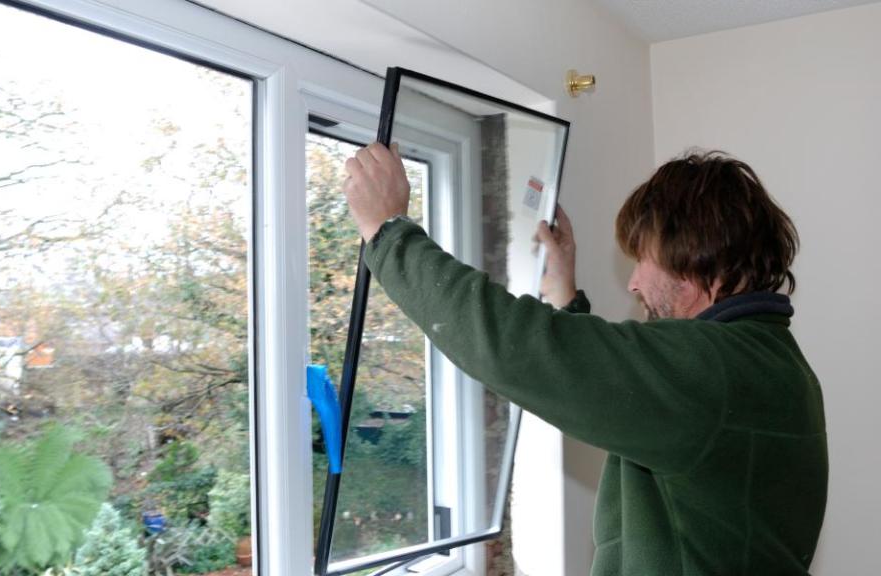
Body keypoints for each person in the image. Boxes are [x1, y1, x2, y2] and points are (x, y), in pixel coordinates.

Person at [342, 143, 828, 575]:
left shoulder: (714, 370)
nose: (633, 282)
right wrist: (565, 297)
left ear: (695, 257)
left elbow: (518, 347)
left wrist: (389, 233)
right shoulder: (770, 361)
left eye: (642, 259)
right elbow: (632, 394)